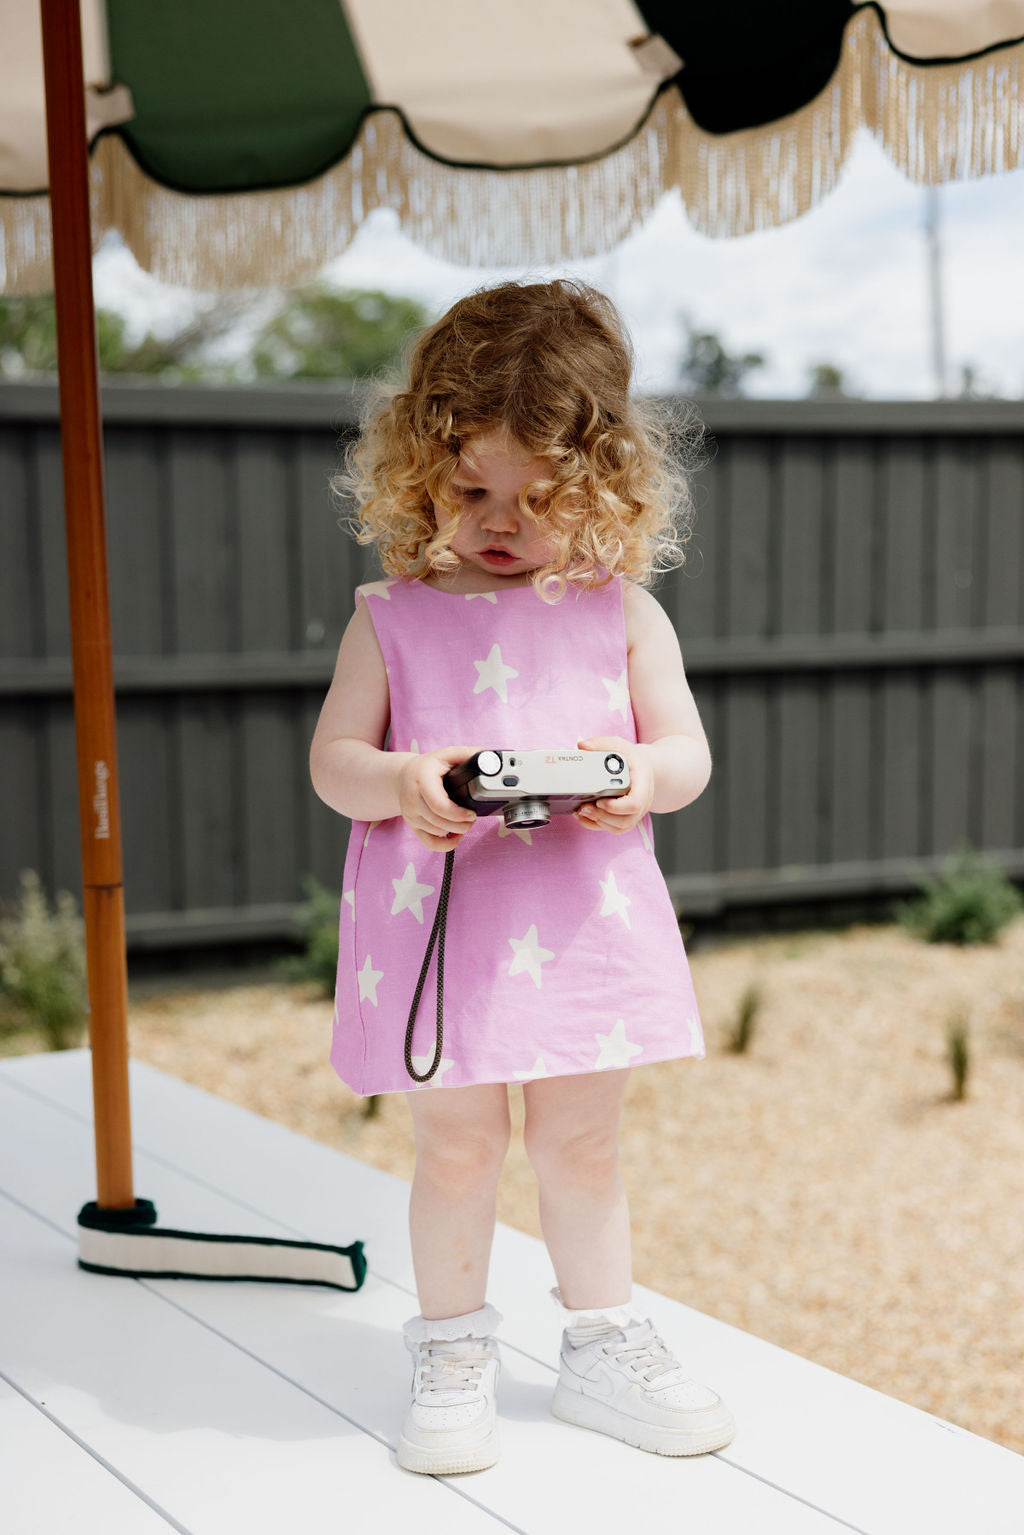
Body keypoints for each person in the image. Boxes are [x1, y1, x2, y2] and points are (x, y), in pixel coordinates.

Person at [309, 279, 735, 1476]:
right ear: (419, 467)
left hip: (581, 920)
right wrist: (403, 780)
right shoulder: (390, 618)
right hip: (444, 932)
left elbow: (688, 754)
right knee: (454, 1148)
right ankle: (450, 1348)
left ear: (601, 487)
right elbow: (334, 763)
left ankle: (602, 1343)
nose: (497, 520)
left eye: (536, 497)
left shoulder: (624, 614)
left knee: (584, 1143)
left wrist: (634, 774)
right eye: (469, 488)